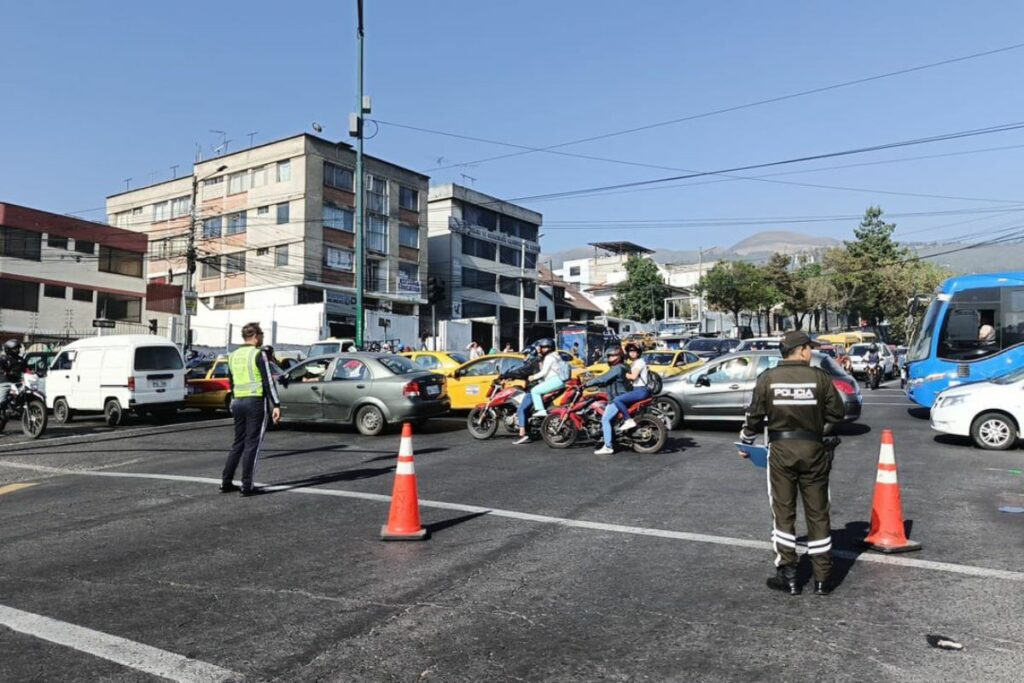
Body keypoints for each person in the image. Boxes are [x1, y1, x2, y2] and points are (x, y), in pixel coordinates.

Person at [740, 330, 845, 596]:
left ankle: (789, 576)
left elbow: (754, 416)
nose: (811, 352)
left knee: (783, 513)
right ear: (800, 350)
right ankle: (823, 579)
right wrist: (818, 430)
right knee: (818, 513)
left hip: (781, 452)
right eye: (809, 348)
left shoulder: (769, 378)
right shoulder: (819, 378)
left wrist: (746, 439)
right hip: (814, 451)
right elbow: (838, 413)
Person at [222, 323, 281, 497]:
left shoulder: (232, 355)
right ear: (255, 336)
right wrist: (276, 404)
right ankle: (247, 485)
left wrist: (233, 400)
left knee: (238, 442)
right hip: (255, 401)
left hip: (238, 401)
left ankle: (226, 481)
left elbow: (231, 381)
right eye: (261, 334)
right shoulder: (258, 353)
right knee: (252, 443)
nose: (262, 338)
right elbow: (268, 381)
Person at [513, 339, 566, 444]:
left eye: (542, 347)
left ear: (548, 348)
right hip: (559, 381)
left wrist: (533, 377)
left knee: (535, 390)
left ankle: (540, 411)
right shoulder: (557, 356)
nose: (540, 350)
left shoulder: (549, 357)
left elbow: (544, 372)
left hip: (554, 381)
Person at [584, 345, 629, 455]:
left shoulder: (618, 368)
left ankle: (608, 446)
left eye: (612, 356)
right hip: (620, 396)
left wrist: (587, 383)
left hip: (617, 398)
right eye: (609, 356)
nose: (609, 359)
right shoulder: (623, 366)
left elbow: (604, 378)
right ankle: (612, 438)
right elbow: (605, 379)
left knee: (605, 419)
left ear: (618, 356)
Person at [615, 343, 651, 432]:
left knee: (617, 400)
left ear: (638, 353)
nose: (632, 353)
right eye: (630, 351)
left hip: (640, 391)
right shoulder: (636, 362)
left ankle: (628, 420)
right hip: (639, 390)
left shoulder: (639, 362)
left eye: (634, 351)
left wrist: (623, 375)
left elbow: (633, 376)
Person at [0, 339, 28, 414]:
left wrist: (34, 373)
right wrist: (3, 371)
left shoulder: (21, 359)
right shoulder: (3, 359)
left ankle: (17, 405)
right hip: (5, 382)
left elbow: (26, 369)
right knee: (1, 402)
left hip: (18, 381)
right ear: (8, 349)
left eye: (18, 348)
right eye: (15, 348)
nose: (18, 350)